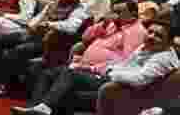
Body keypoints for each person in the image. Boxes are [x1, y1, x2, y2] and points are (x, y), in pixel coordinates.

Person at [11, 20, 177, 115]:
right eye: (151, 32)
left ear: (169, 42)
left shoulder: (162, 58)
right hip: (111, 78)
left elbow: (140, 80)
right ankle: (38, 108)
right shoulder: (146, 47)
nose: (151, 36)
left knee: (70, 76)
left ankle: (42, 108)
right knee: (57, 77)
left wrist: (111, 73)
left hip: (121, 89)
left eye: (158, 35)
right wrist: (97, 68)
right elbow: (126, 64)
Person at [0, 0, 90, 97]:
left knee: (16, 51)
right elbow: (37, 18)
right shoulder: (53, 4)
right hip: (32, 34)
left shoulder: (80, 9)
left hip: (50, 42)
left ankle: (9, 88)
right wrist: (33, 25)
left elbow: (72, 27)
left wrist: (50, 24)